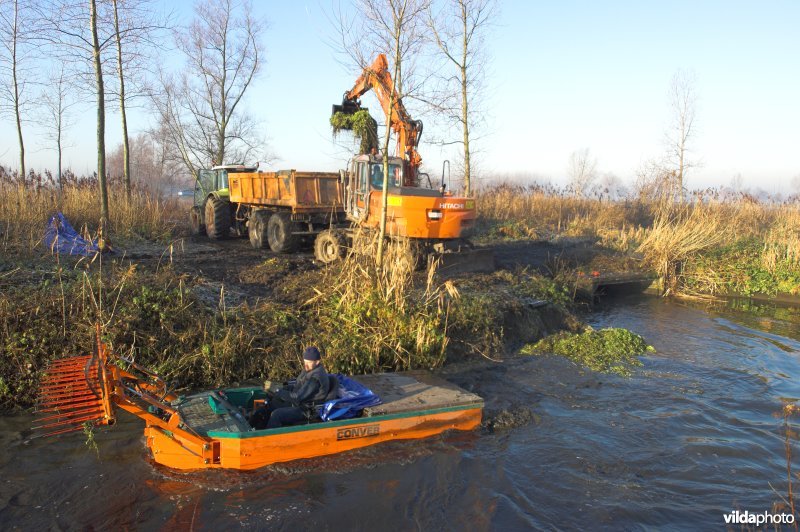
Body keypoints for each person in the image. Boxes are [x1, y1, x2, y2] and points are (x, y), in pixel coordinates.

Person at [250, 346, 332, 430]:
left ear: (317, 362)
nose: (306, 365)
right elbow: (296, 386)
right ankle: (251, 429)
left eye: (309, 362)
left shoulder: (316, 378)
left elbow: (297, 397)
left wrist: (277, 390)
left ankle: (268, 436)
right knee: (269, 406)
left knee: (277, 415)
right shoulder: (309, 369)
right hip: (298, 404)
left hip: (306, 410)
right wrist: (280, 387)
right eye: (305, 361)